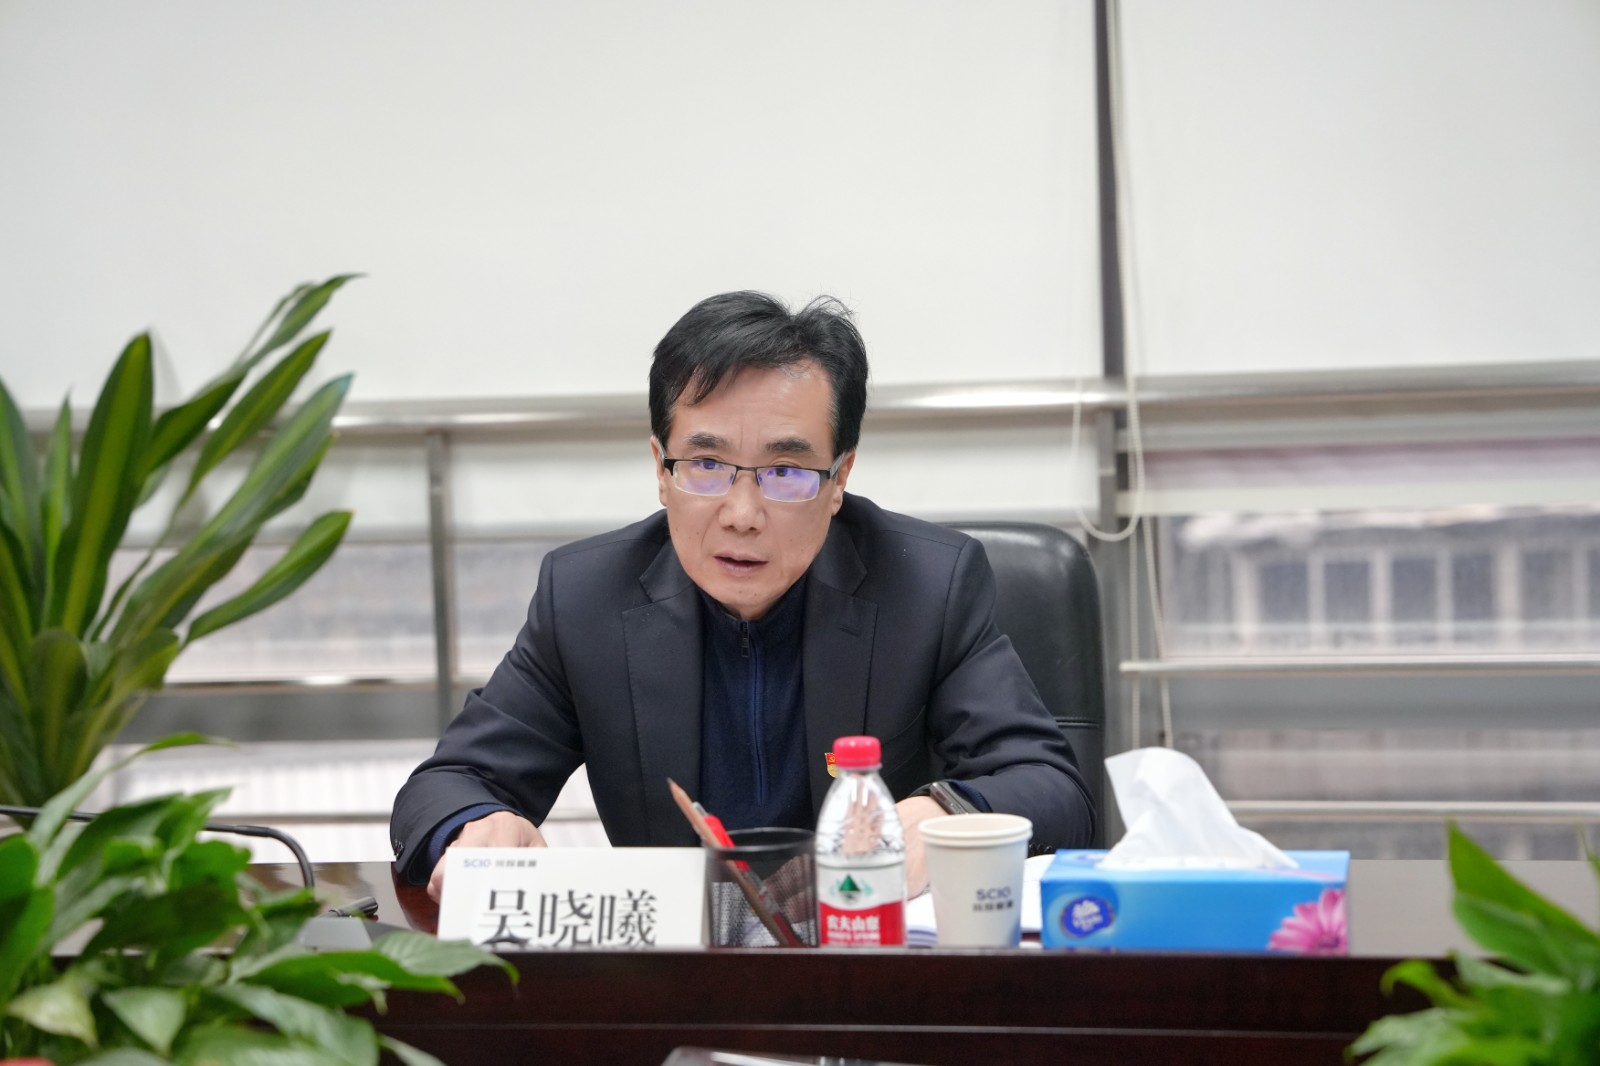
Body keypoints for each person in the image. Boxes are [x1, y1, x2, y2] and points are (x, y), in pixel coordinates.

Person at [391, 291, 1096, 902]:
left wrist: (946, 815)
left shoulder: (927, 587)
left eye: (786, 471)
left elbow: (1052, 787)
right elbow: (448, 783)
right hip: (681, 977)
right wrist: (477, 824)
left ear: (840, 477)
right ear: (660, 469)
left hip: (869, 964)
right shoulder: (586, 599)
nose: (742, 514)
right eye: (705, 463)